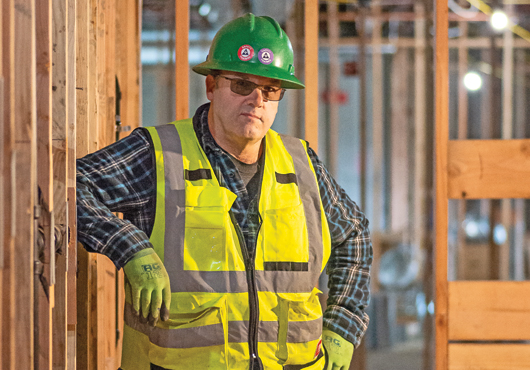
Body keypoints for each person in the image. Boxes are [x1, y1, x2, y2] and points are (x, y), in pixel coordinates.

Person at [77, 13, 372, 370]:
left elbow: (354, 233)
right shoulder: (158, 155)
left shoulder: (302, 164)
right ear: (212, 86)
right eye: (242, 85)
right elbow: (73, 185)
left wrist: (343, 323)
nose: (257, 100)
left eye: (271, 89)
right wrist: (130, 247)